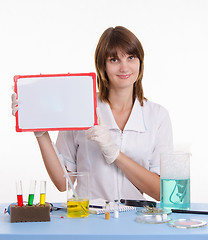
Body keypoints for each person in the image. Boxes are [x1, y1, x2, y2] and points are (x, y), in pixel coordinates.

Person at [11, 26, 173, 201]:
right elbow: (62, 183)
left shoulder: (157, 116)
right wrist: (40, 132)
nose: (124, 67)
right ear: (102, 66)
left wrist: (114, 154)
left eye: (131, 57)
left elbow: (161, 192)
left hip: (135, 220)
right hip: (89, 218)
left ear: (140, 62)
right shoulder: (80, 107)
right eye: (114, 60)